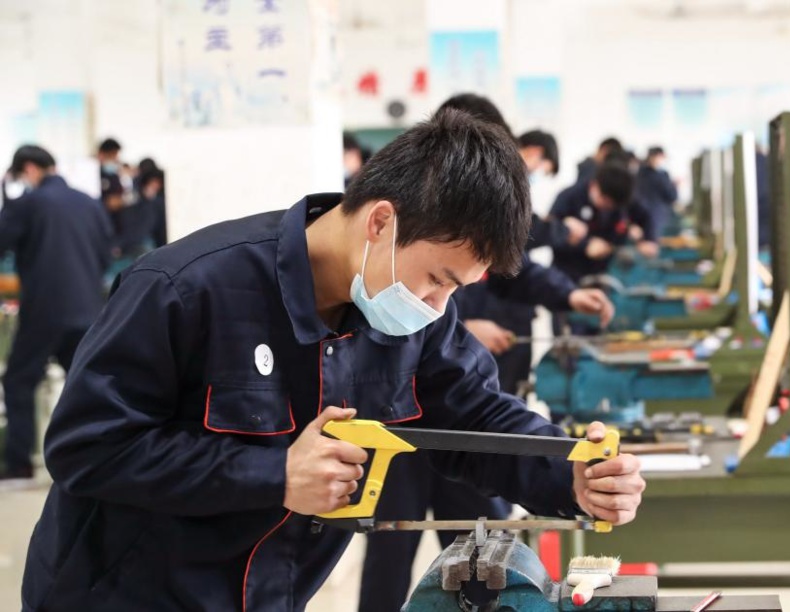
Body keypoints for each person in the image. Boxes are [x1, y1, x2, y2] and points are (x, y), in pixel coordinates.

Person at [23, 110, 644, 612]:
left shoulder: (415, 315)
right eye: (436, 279)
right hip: (125, 595)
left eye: (457, 290)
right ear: (380, 222)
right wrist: (275, 475)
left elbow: (474, 417)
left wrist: (569, 474)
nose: (437, 306)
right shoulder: (185, 289)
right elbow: (87, 447)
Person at [358, 97, 615, 612]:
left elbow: (515, 275)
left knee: (488, 557)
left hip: (454, 416)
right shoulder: (399, 246)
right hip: (391, 432)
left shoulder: (456, 284)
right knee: (388, 556)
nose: (438, 302)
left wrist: (570, 472)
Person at [0, 145, 112, 482]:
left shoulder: (30, 203)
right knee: (89, 386)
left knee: (18, 381)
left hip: (44, 312)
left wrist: (8, 196)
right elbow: (106, 256)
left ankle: (19, 462)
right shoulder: (89, 203)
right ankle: (99, 459)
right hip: (90, 311)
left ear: (30, 168)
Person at [549, 163, 636, 334]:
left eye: (612, 205)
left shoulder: (617, 207)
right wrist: (584, 246)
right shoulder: (569, 197)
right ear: (595, 185)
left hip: (600, 280)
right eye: (604, 201)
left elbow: (621, 233)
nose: (607, 207)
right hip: (567, 278)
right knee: (566, 336)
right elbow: (551, 236)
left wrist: (610, 246)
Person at [635, 146, 678, 241]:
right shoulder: (661, 176)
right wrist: (675, 186)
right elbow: (671, 196)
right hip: (657, 219)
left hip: (641, 219)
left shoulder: (639, 173)